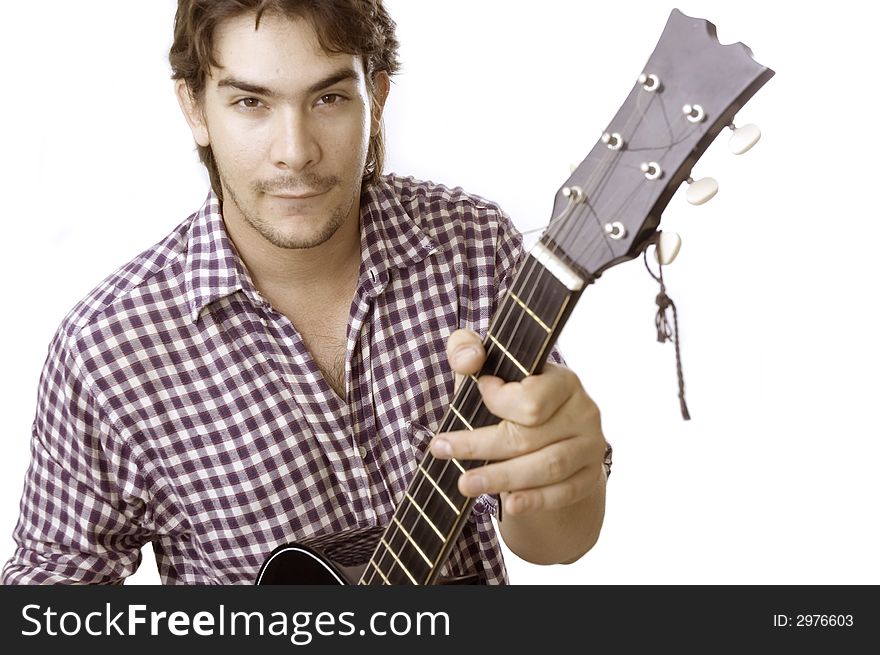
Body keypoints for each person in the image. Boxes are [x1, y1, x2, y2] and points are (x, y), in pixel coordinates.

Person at [2, 0, 611, 585]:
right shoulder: (107, 349)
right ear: (194, 108)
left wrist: (563, 469)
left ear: (376, 95)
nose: (295, 152)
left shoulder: (472, 246)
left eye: (328, 98)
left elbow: (554, 543)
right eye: (251, 102)